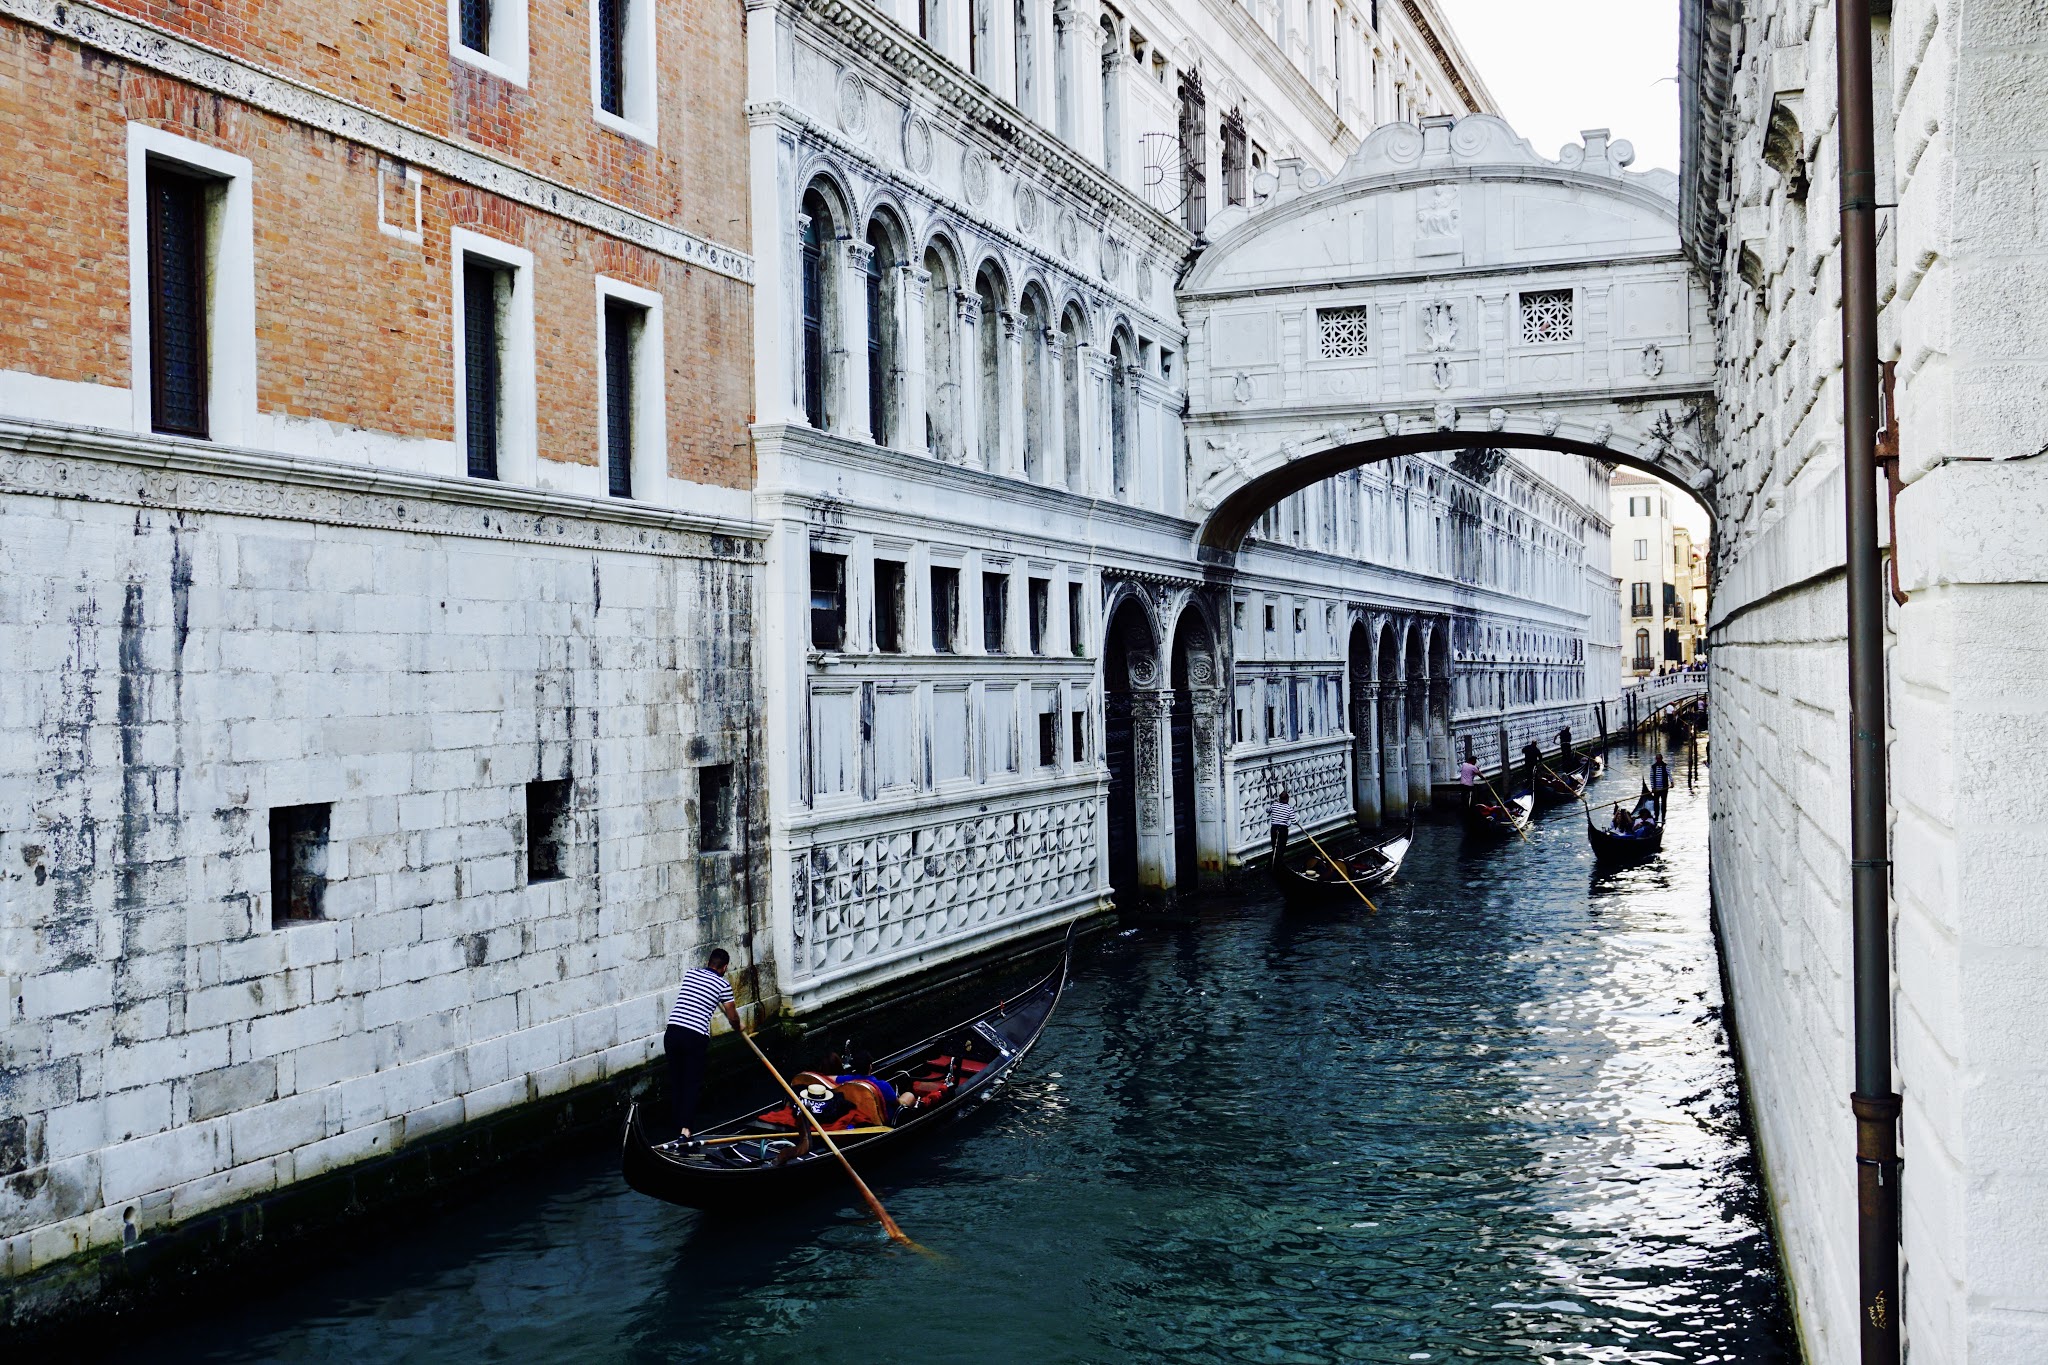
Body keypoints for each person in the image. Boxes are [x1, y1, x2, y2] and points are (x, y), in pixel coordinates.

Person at [665, 947, 745, 1140]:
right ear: (724, 967)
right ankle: (685, 1130)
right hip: (694, 1036)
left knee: (677, 1081)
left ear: (709, 962)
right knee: (692, 1083)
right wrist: (738, 1026)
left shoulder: (691, 973)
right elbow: (732, 1015)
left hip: (673, 1032)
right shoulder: (723, 985)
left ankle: (676, 1125)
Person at [1267, 788, 1296, 860]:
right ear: (1287, 799)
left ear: (1280, 799)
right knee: (1282, 846)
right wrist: (1289, 823)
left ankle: (1276, 859)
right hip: (1283, 829)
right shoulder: (1289, 808)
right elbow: (1294, 821)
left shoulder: (1274, 805)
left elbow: (1268, 810)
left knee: (1274, 845)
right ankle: (1279, 860)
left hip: (1274, 828)